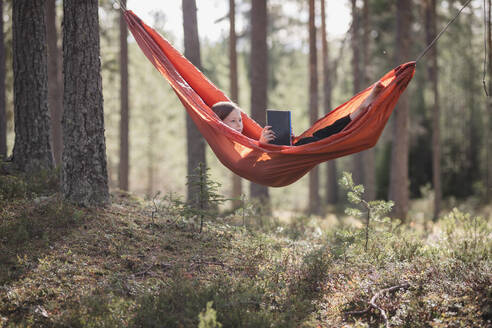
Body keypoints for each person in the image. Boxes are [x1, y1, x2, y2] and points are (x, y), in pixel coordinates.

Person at [211, 81, 384, 146]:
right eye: (232, 121)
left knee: (323, 134)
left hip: (289, 151)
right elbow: (249, 160)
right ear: (221, 123)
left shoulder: (242, 138)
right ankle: (360, 110)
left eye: (239, 119)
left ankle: (359, 111)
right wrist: (262, 143)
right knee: (324, 139)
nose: (239, 124)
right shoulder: (227, 144)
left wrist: (286, 137)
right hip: (286, 157)